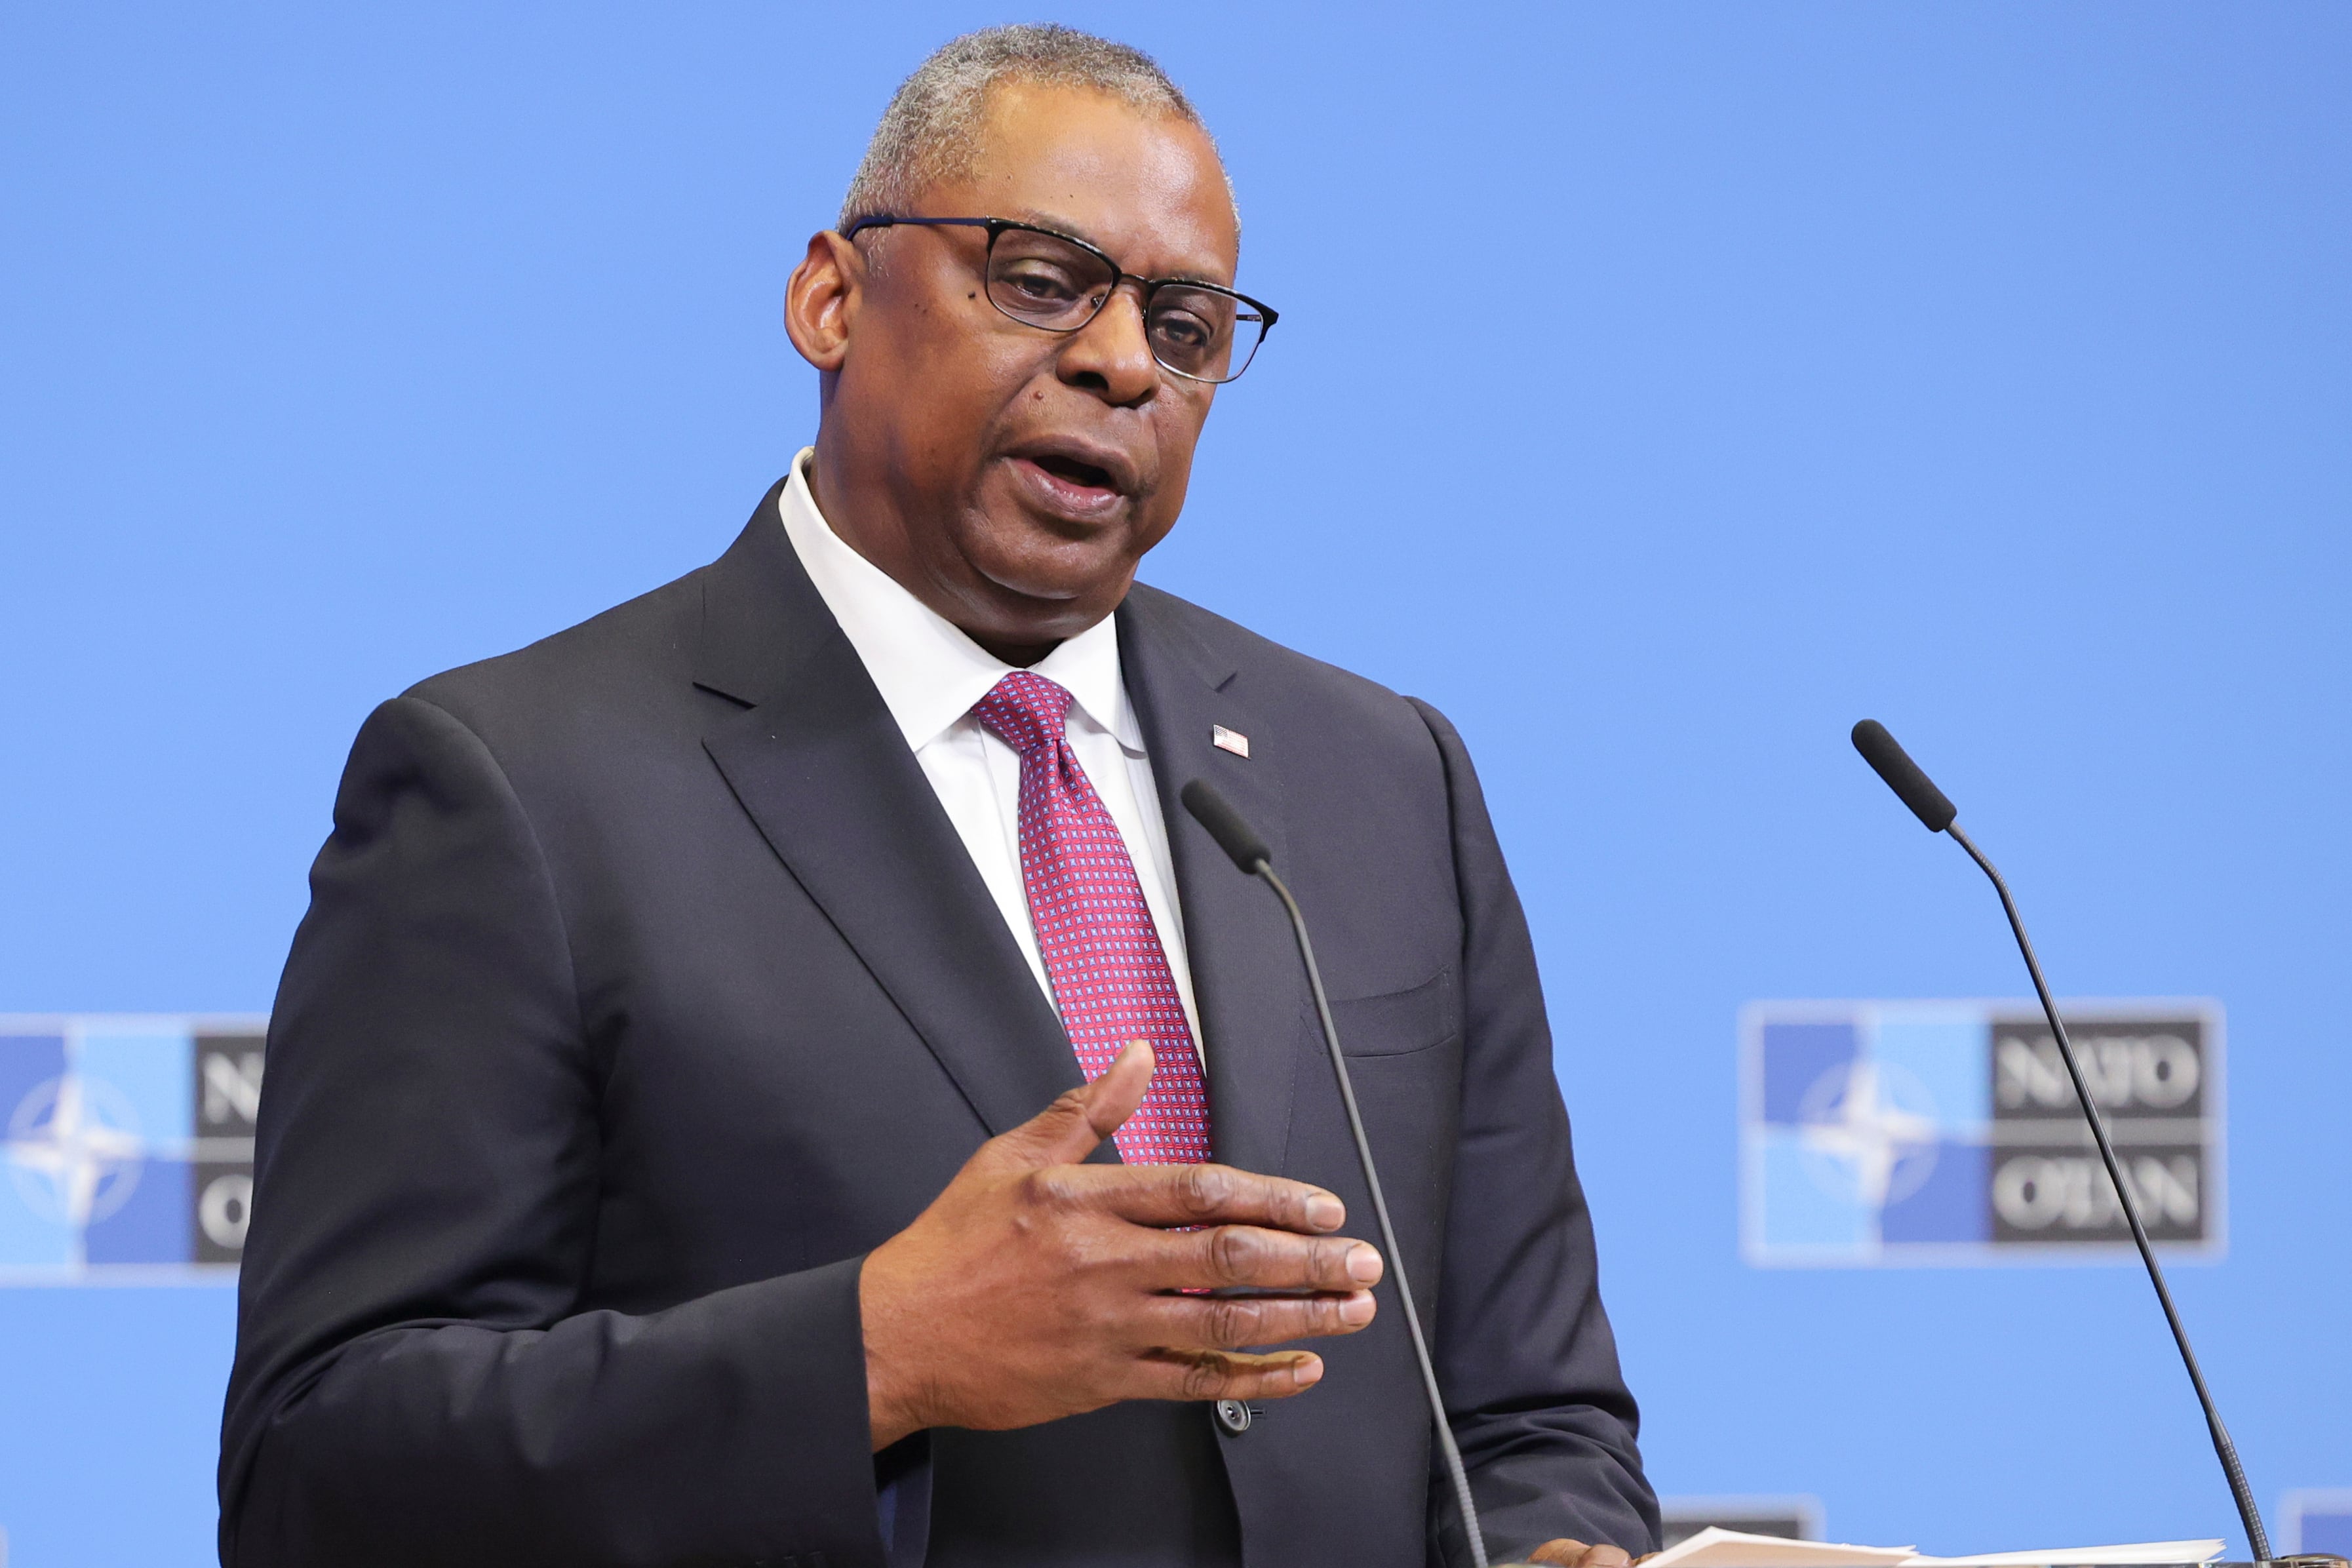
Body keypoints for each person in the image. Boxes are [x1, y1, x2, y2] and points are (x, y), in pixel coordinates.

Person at [218, 25, 1657, 1568]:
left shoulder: (1383, 776)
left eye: (1185, 325)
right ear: (832, 297)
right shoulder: (517, 782)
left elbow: (1533, 1421)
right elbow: (325, 1469)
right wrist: (874, 1353)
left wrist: (1557, 1546)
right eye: (1040, 279)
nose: (1123, 361)